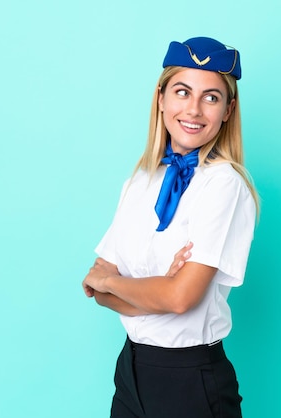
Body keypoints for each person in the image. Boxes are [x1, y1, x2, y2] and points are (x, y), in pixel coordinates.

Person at [82, 36, 259, 418]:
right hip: (130, 374)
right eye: (182, 92)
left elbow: (180, 299)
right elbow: (94, 287)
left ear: (228, 110)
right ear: (161, 98)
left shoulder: (223, 183)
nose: (193, 109)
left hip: (189, 381)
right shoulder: (140, 180)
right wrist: (153, 288)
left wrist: (116, 284)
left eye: (211, 97)